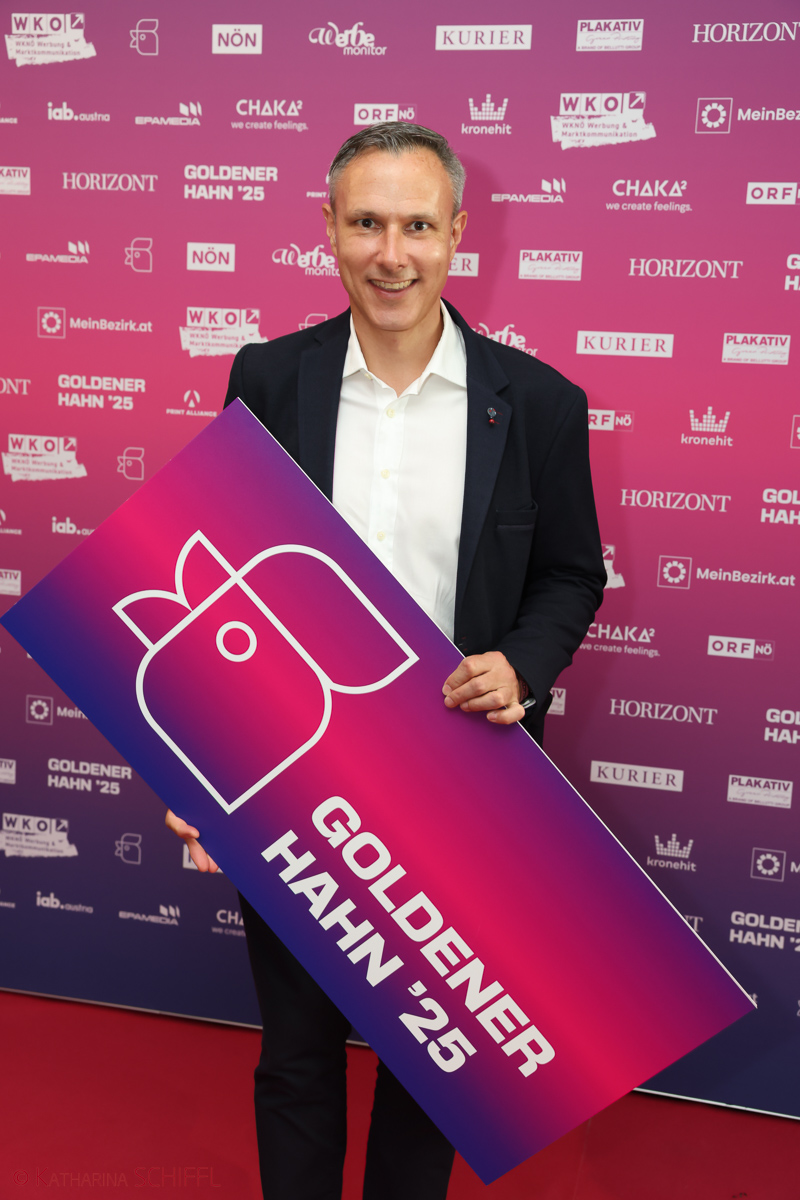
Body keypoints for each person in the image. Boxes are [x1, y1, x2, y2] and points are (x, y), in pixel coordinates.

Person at [166, 123, 606, 1200]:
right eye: (366, 222)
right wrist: (201, 764)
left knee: (429, 1066)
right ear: (328, 229)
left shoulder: (541, 403)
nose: (391, 253)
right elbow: (219, 573)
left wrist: (521, 666)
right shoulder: (268, 377)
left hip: (465, 776)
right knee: (296, 1054)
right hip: (293, 763)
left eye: (418, 224)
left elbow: (569, 574)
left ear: (458, 233)